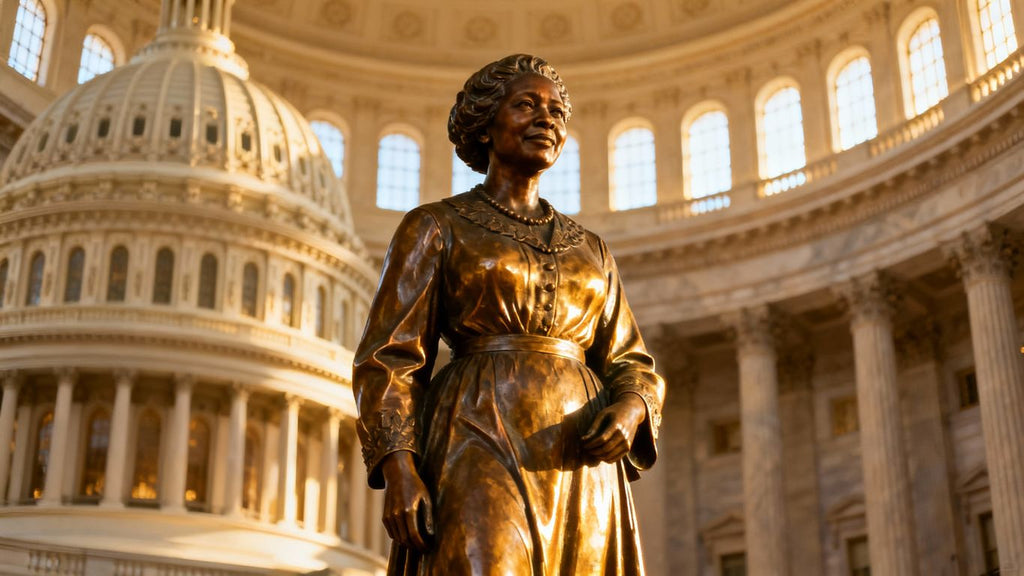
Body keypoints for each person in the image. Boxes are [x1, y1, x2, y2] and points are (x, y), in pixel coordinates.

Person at [353, 53, 665, 576]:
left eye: (557, 111)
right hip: (475, 432)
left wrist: (632, 408)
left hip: (581, 459)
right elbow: (389, 359)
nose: (547, 119)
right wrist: (400, 468)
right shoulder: (436, 225)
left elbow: (631, 362)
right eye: (526, 105)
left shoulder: (592, 249)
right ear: (484, 124)